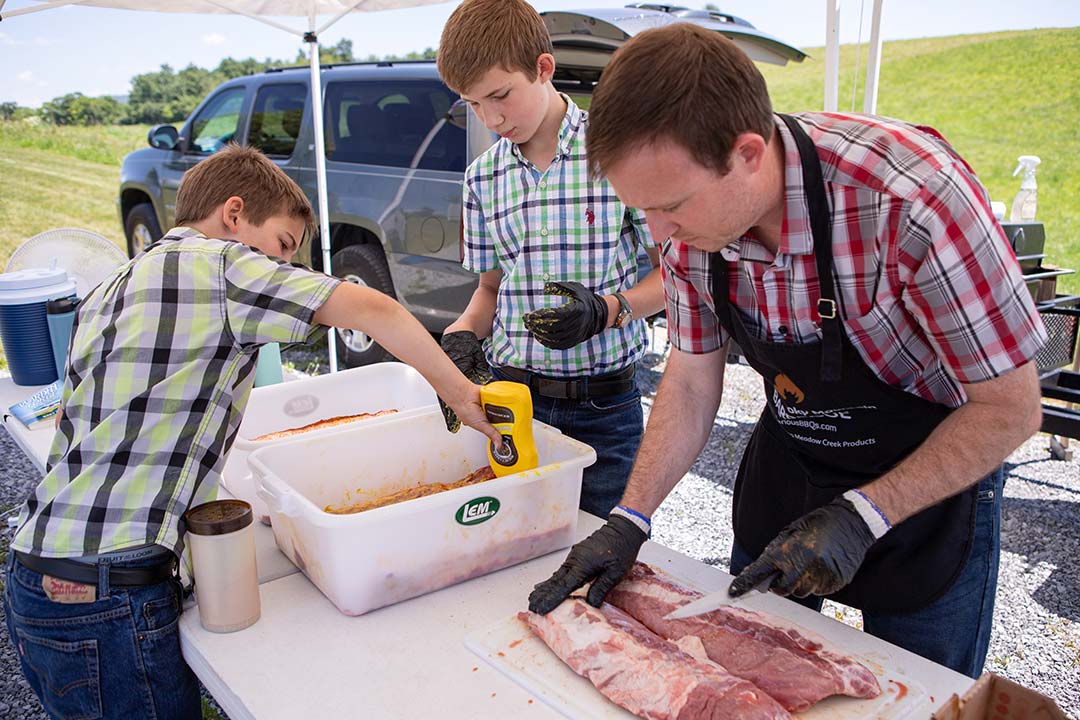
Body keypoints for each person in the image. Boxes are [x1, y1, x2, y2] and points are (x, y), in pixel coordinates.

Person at [528, 23, 1046, 678]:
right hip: (795, 467)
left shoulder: (910, 199)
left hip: (931, 488)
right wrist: (630, 519)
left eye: (671, 207)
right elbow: (689, 381)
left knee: (918, 692)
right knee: (756, 678)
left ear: (747, 153)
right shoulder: (692, 232)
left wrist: (863, 516)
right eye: (643, 210)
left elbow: (1011, 408)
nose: (661, 235)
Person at [3, 144, 502, 720]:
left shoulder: (111, 286)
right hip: (110, 590)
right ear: (234, 215)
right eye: (284, 247)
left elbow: (80, 415)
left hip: (39, 576)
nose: (285, 268)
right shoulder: (221, 265)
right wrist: (462, 396)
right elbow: (377, 311)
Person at [434, 0, 667, 518]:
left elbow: (674, 275)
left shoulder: (617, 153)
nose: (491, 119)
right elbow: (490, 290)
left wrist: (609, 309)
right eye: (473, 104)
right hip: (515, 403)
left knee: (600, 558)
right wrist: (463, 334)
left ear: (543, 68)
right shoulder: (482, 178)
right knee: (515, 552)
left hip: (605, 407)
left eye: (500, 96)